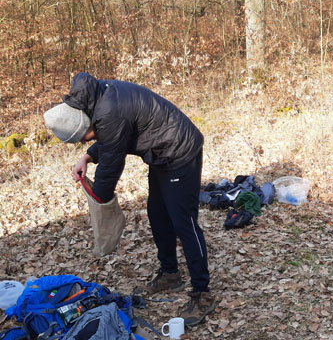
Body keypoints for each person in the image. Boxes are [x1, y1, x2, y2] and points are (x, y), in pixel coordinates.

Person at [43, 72, 214, 326]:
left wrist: (99, 201)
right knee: (157, 214)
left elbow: (111, 163)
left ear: (83, 124)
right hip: (161, 153)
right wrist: (87, 158)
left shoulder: (108, 110)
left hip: (180, 151)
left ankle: (202, 293)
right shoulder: (96, 100)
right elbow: (111, 138)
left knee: (184, 224)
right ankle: (170, 274)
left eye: (81, 138)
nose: (83, 142)